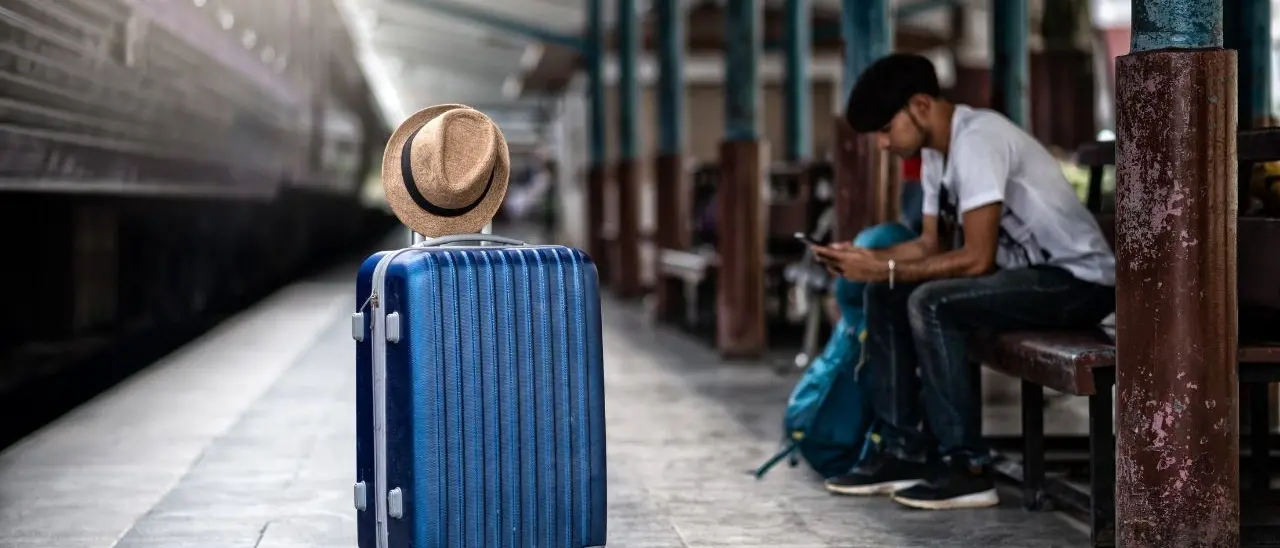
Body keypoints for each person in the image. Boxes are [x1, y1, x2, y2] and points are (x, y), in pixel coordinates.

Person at [809, 53, 1115, 510]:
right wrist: (867, 259)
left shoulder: (978, 140)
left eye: (886, 129)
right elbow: (930, 246)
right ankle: (903, 452)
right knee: (885, 293)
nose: (883, 144)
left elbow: (975, 260)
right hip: (1028, 279)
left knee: (931, 302)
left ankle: (966, 465)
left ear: (919, 106)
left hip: (1077, 282)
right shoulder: (938, 152)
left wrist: (885, 267)